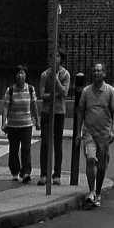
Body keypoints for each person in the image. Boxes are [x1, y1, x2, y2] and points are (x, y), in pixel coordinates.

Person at [77, 58, 114, 206]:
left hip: (104, 133)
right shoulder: (86, 91)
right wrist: (78, 132)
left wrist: (112, 130)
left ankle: (99, 192)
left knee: (101, 166)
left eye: (99, 70)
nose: (96, 73)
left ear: (104, 73)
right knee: (90, 159)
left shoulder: (110, 91)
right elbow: (81, 111)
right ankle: (92, 191)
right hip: (89, 132)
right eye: (94, 70)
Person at [38, 54, 72, 183]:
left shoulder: (65, 74)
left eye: (58, 56)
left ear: (61, 59)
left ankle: (57, 174)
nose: (55, 58)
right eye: (53, 55)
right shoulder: (45, 75)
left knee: (58, 142)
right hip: (47, 111)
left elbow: (65, 93)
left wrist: (56, 81)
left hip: (59, 111)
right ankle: (44, 173)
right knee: (45, 141)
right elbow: (42, 94)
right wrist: (55, 94)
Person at [2, 65, 38, 183]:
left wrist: (37, 121)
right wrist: (4, 122)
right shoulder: (10, 90)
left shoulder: (30, 89)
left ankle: (26, 172)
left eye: (22, 73)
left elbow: (34, 105)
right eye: (18, 73)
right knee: (13, 149)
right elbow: (6, 106)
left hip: (26, 124)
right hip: (13, 125)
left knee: (26, 149)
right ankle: (15, 171)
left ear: (26, 75)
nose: (20, 76)